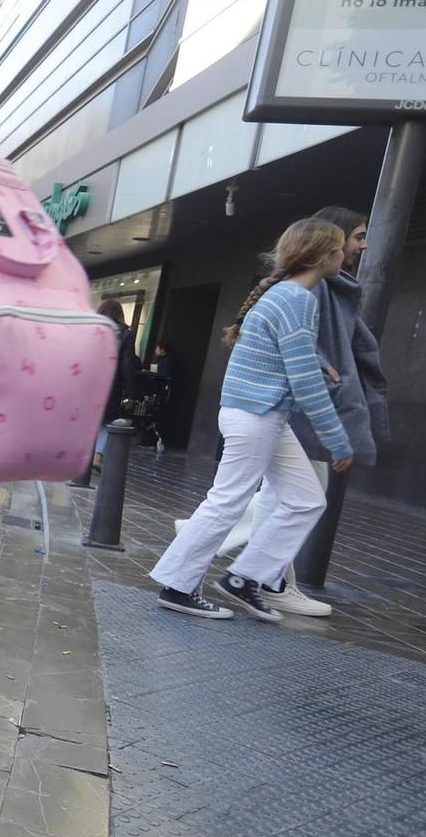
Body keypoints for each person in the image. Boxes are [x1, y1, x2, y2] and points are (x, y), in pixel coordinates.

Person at [150, 218, 354, 621]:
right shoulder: (298, 298)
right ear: (325, 255)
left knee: (306, 499)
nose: (346, 254)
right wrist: (338, 439)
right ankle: (178, 585)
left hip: (262, 413)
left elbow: (281, 349)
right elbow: (301, 379)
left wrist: (319, 361)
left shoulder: (285, 293)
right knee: (227, 501)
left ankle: (244, 578)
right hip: (257, 414)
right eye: (342, 248)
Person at [208, 205, 390, 616]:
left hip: (278, 409)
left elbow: (309, 350)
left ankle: (255, 577)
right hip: (284, 409)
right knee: (283, 498)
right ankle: (256, 578)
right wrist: (337, 436)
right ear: (332, 245)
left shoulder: (315, 286)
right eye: (358, 236)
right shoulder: (309, 290)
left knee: (292, 498)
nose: (363, 245)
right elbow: (302, 363)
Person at [95, 300, 141, 468]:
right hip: (110, 384)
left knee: (87, 419)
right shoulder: (125, 334)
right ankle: (98, 455)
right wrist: (131, 394)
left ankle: (81, 455)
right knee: (108, 421)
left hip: (87, 382)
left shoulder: (91, 328)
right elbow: (128, 365)